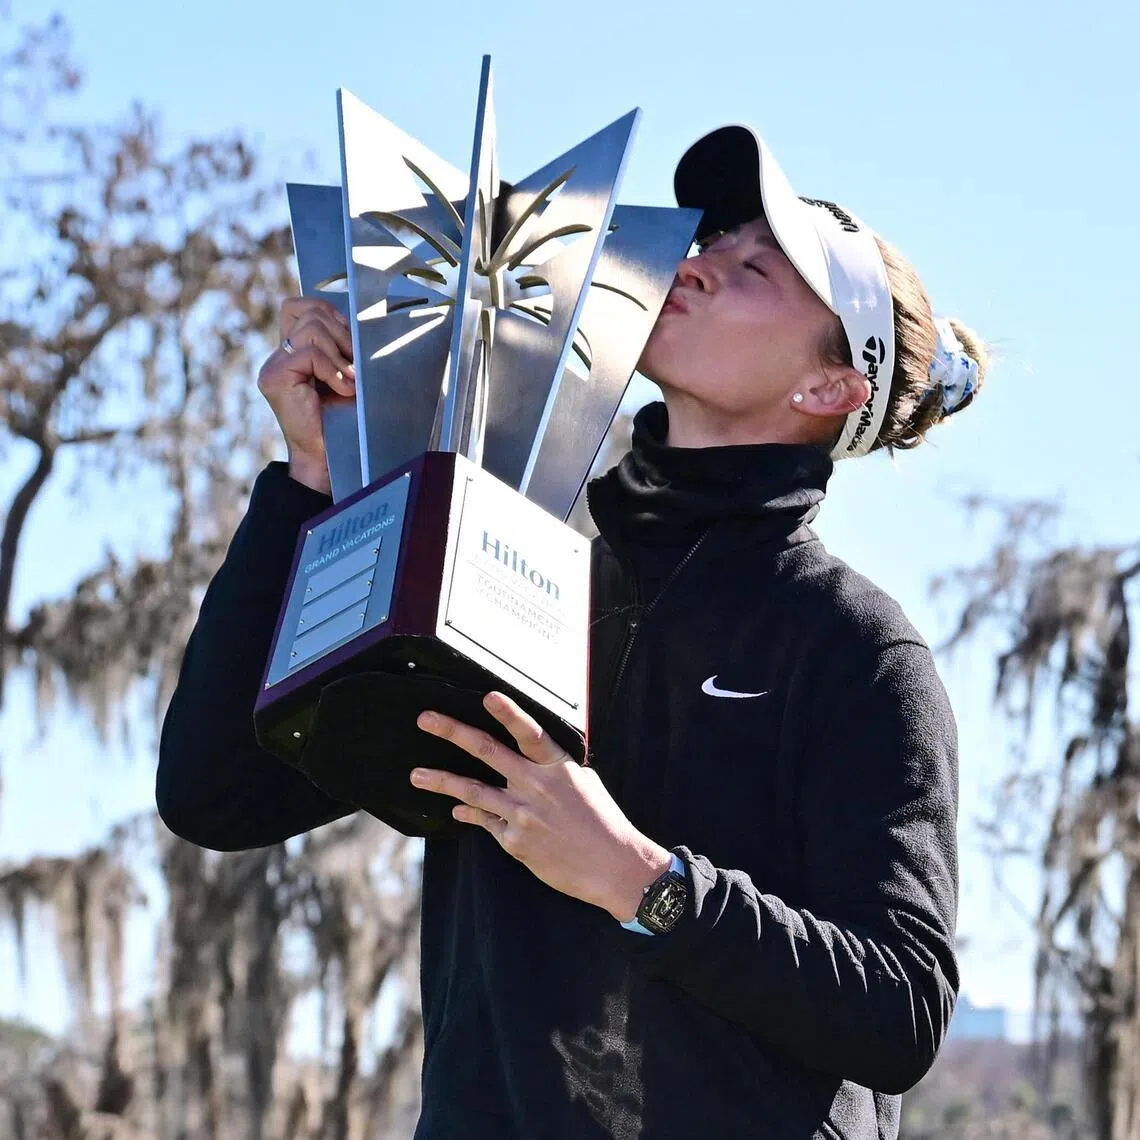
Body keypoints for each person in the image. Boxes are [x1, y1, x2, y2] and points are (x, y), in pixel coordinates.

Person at [157, 124, 985, 1139]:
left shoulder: (855, 648)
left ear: (827, 388)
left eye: (756, 268)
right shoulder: (500, 557)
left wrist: (643, 883)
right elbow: (214, 793)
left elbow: (900, 1007)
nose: (697, 265)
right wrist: (307, 484)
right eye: (709, 245)